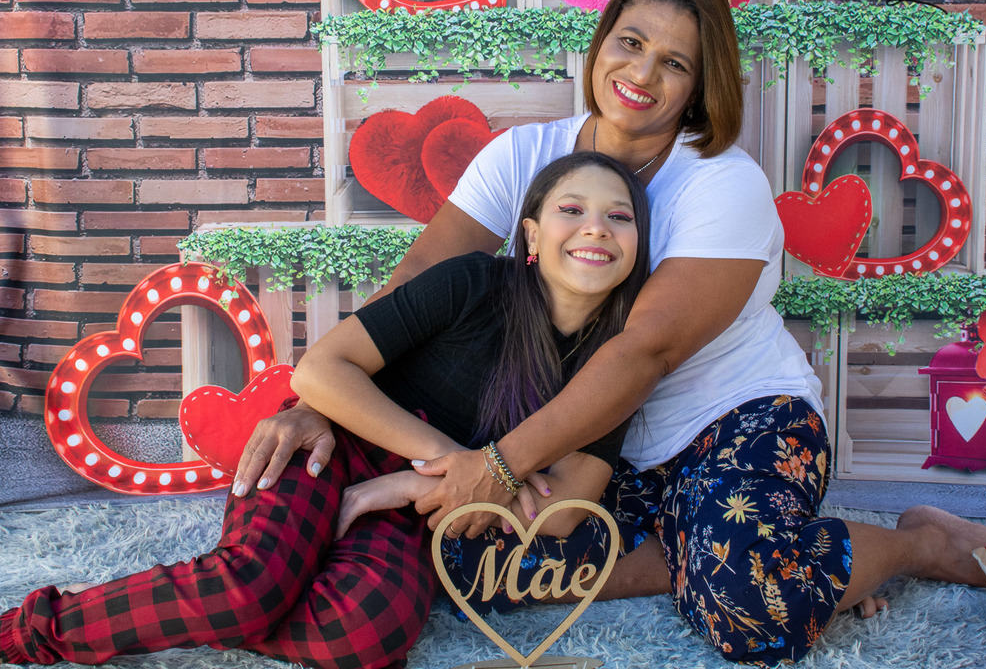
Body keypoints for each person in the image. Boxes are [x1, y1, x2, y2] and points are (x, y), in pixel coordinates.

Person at [233, 0, 986, 664]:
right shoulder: (522, 156)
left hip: (737, 419)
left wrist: (497, 467)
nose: (641, 73)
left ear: (701, 85)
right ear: (600, 41)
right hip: (597, 444)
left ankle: (915, 544)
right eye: (630, 43)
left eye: (674, 63)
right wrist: (315, 404)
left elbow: (645, 350)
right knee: (467, 557)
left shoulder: (722, 184)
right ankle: (770, 559)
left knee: (750, 615)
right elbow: (417, 278)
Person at [0, 152, 653, 669]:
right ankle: (33, 629)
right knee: (247, 589)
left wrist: (407, 485)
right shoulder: (473, 282)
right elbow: (322, 371)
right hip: (326, 444)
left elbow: (566, 507)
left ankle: (171, 611)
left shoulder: (614, 364)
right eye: (572, 209)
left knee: (367, 632)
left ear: (638, 246)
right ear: (531, 233)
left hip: (409, 511)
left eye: (618, 217)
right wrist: (452, 464)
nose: (596, 227)